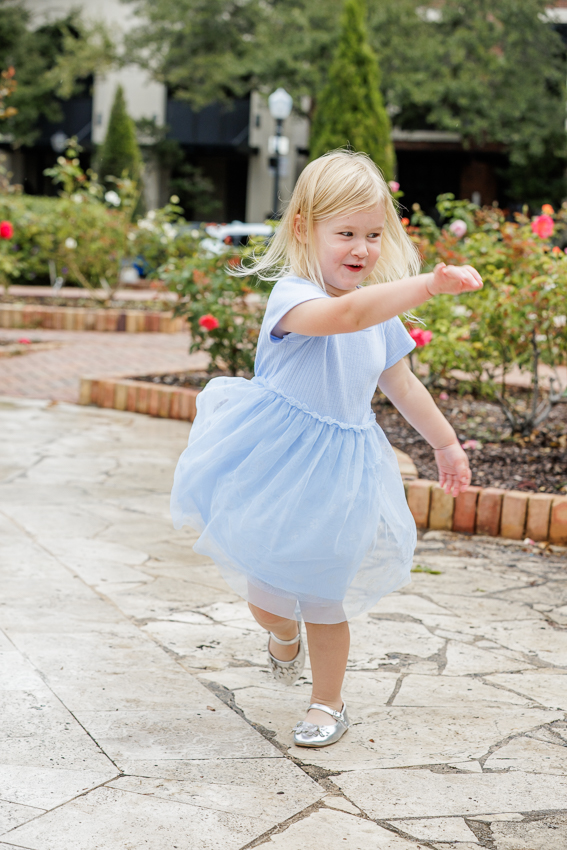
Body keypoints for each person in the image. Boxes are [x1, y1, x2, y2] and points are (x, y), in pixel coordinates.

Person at [171, 150, 483, 748]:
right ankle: (280, 636)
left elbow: (402, 383)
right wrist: (427, 285)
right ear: (303, 230)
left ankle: (327, 702)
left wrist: (446, 444)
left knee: (324, 595)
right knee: (267, 598)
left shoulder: (378, 311)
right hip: (277, 465)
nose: (360, 249)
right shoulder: (293, 299)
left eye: (372, 234)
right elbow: (344, 316)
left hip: (341, 472)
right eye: (344, 233)